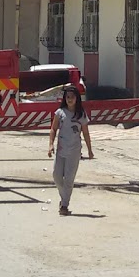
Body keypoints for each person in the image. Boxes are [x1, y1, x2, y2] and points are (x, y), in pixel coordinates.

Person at [47, 84, 93, 214]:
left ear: (77, 98)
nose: (70, 99)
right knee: (56, 176)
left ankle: (64, 206)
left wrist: (90, 150)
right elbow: (53, 129)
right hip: (61, 150)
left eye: (72, 97)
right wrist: (50, 145)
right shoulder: (59, 113)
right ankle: (64, 198)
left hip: (74, 152)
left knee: (69, 179)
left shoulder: (81, 115)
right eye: (67, 97)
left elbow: (86, 133)